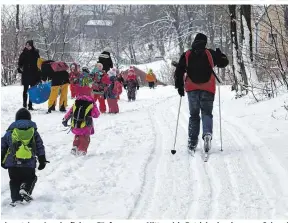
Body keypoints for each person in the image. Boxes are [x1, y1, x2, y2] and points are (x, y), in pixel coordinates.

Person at [174, 33, 229, 153]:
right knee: (207, 113)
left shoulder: (187, 54)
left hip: (192, 89)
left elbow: (179, 70)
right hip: (208, 89)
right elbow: (224, 62)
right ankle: (207, 134)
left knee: (194, 116)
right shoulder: (210, 53)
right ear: (205, 42)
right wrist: (220, 55)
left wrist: (179, 86)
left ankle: (192, 142)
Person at [1, 108, 48, 207]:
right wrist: (42, 160)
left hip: (12, 163)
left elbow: (3, 146)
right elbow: (40, 146)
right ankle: (25, 188)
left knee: (14, 181)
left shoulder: (10, 131)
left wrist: (2, 160)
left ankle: (16, 200)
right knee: (31, 178)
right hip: (28, 163)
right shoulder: (33, 132)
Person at [62, 79, 100, 156]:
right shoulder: (91, 103)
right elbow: (96, 115)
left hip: (75, 124)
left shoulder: (77, 102)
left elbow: (70, 112)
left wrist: (65, 119)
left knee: (77, 136)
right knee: (85, 138)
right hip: (86, 125)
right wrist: (94, 106)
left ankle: (75, 147)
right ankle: (82, 150)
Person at [18, 40, 41, 110]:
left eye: (29, 45)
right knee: (25, 90)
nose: (27, 47)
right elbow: (20, 63)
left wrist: (39, 74)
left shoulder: (36, 53)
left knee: (32, 90)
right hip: (26, 74)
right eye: (26, 45)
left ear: (31, 46)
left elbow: (39, 64)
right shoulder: (23, 54)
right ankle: (24, 104)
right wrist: (19, 68)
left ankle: (30, 105)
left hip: (33, 74)